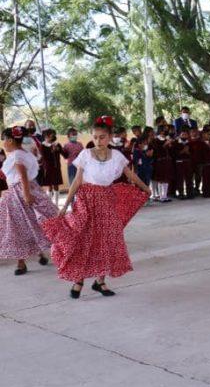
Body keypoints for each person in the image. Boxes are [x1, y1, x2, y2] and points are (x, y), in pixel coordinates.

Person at [42, 118, 151, 299]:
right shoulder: (85, 154)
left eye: (102, 137)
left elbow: (130, 174)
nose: (98, 140)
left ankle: (100, 282)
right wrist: (66, 205)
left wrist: (145, 187)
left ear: (109, 137)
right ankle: (79, 279)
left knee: (107, 240)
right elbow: (77, 181)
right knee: (84, 239)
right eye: (95, 137)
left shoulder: (117, 156)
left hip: (107, 201)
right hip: (87, 201)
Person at [0, 126, 56, 276]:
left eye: (4, 139)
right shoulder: (25, 153)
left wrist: (25, 195)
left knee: (18, 227)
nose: (3, 142)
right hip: (28, 189)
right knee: (30, 223)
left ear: (11, 140)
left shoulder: (17, 155)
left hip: (19, 192)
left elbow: (22, 175)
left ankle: (21, 263)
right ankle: (39, 254)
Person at [38, 128, 64, 204]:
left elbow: (64, 154)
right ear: (45, 136)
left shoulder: (57, 144)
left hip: (56, 168)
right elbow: (44, 158)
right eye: (48, 135)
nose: (50, 137)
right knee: (49, 186)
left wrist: (58, 149)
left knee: (56, 186)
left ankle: (56, 204)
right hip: (48, 169)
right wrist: (51, 151)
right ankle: (50, 204)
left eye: (51, 135)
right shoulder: (42, 145)